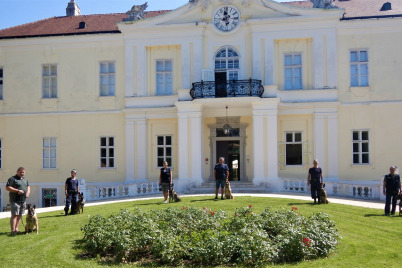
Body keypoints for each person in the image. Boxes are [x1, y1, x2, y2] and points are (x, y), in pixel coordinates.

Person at [5, 167, 30, 236]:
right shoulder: (12, 179)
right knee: (14, 215)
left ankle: (17, 229)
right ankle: (13, 230)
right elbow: (7, 187)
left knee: (19, 215)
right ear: (17, 172)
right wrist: (17, 191)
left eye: (23, 172)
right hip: (14, 200)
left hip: (23, 200)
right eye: (21, 172)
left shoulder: (25, 179)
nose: (22, 173)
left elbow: (28, 186)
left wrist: (28, 193)